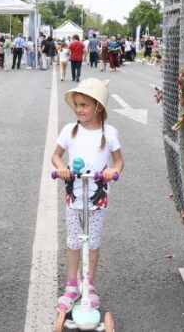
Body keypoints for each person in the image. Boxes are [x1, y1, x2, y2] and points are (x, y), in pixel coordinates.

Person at [50, 78, 124, 314]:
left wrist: (113, 171)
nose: (79, 109)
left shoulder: (109, 133)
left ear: (98, 107)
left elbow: (119, 161)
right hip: (74, 194)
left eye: (84, 105)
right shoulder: (69, 131)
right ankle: (72, 285)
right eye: (77, 105)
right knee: (73, 241)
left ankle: (88, 283)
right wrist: (61, 167)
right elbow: (55, 156)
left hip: (97, 197)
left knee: (92, 242)